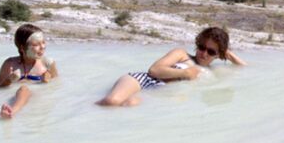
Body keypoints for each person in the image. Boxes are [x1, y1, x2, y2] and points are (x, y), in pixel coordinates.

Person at [97, 26, 245, 107]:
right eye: (201, 47)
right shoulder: (182, 54)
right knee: (112, 101)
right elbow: (154, 70)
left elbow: (246, 69)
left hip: (155, 92)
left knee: (130, 105)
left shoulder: (213, 71)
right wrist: (186, 73)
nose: (204, 53)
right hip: (142, 80)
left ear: (219, 54)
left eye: (211, 51)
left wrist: (229, 54)